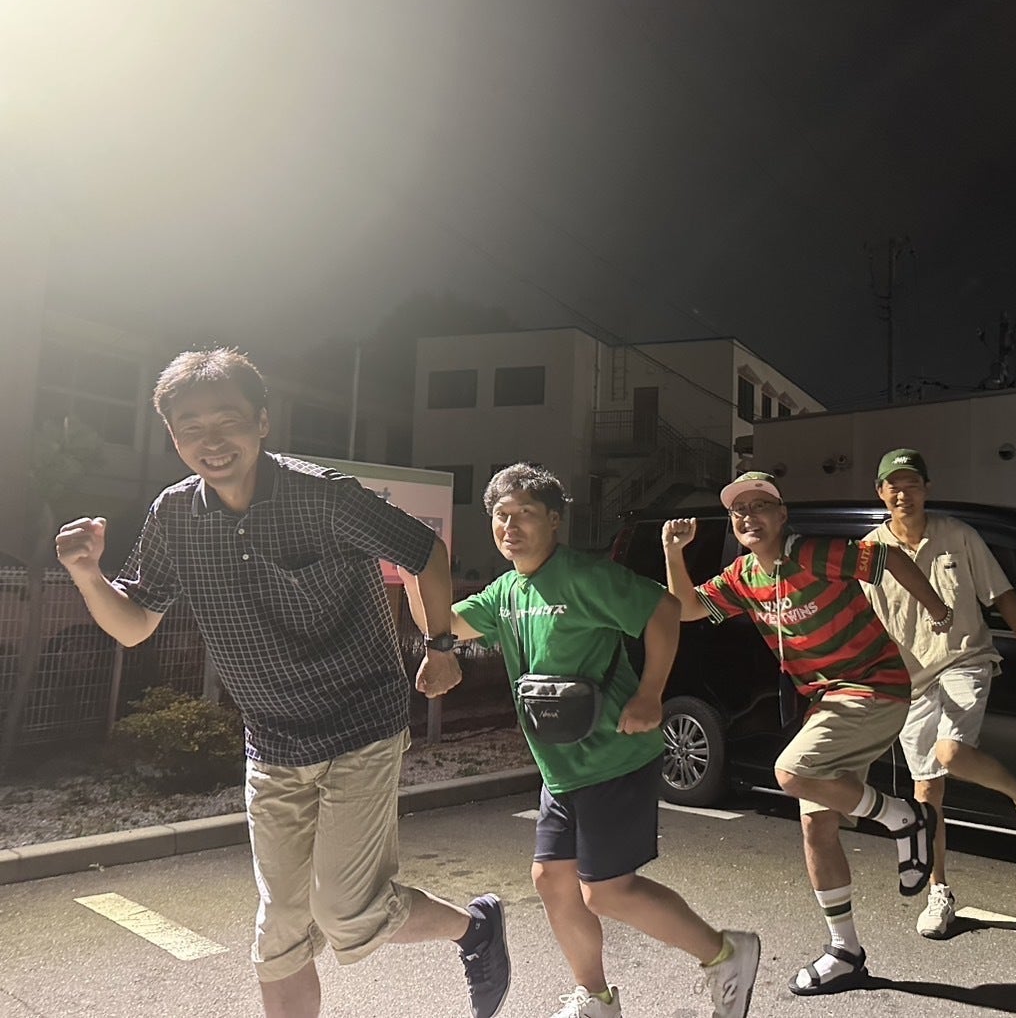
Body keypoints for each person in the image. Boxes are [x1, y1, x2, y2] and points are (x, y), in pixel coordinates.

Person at [53, 348, 510, 1018]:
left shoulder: (323, 496)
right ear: (173, 437)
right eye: (190, 427)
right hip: (271, 742)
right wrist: (88, 574)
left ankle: (475, 928)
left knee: (349, 914)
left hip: (359, 725)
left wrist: (441, 647)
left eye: (227, 420)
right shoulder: (174, 516)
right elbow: (134, 625)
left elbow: (424, 551)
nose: (211, 441)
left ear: (262, 421)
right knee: (280, 936)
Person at [404, 462, 759, 1018]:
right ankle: (595, 998)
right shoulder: (506, 591)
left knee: (607, 890)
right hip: (561, 768)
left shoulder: (586, 576)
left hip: (613, 756)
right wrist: (410, 567)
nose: (510, 527)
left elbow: (664, 610)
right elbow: (444, 622)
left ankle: (726, 954)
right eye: (501, 516)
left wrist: (650, 695)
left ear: (554, 520)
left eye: (525, 514)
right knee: (552, 880)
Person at [663, 471, 954, 996]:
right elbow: (685, 608)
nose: (748, 517)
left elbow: (889, 558)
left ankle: (903, 817)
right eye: (739, 511)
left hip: (874, 686)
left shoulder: (813, 554)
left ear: (782, 515)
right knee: (817, 828)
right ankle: (845, 952)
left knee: (791, 771)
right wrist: (673, 552)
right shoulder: (743, 576)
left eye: (760, 506)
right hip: (827, 702)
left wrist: (936, 607)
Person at [861, 448, 1016, 940]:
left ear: (927, 488)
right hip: (910, 679)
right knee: (926, 792)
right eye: (894, 485)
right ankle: (939, 892)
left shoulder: (958, 536)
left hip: (965, 659)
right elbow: (859, 623)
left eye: (912, 483)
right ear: (881, 493)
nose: (903, 493)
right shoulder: (869, 551)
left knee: (950, 754)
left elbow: (1002, 595)